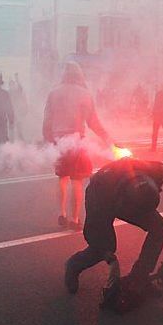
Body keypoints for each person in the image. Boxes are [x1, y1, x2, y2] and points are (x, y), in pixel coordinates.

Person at [63, 156, 163, 311]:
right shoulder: (100, 192)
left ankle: (139, 278)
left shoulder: (157, 170)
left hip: (131, 196)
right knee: (103, 247)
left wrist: (149, 198)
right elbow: (93, 233)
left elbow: (155, 184)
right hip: (104, 199)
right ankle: (74, 264)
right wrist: (107, 255)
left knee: (159, 228)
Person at [42, 62, 110, 229]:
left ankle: (62, 213)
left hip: (59, 141)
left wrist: (49, 139)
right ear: (79, 75)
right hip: (77, 140)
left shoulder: (54, 93)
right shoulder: (85, 94)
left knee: (62, 177)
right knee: (77, 180)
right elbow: (93, 122)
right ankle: (74, 219)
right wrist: (107, 137)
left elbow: (47, 120)